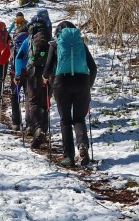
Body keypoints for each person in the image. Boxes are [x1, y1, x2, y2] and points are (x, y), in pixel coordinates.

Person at [42, 20, 97, 166]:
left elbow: (47, 69)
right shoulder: (81, 44)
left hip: (62, 83)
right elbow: (93, 68)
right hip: (82, 82)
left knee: (65, 120)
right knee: (79, 118)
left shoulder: (55, 44)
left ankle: (69, 157)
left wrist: (44, 78)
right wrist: (88, 86)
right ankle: (82, 146)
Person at [24, 10, 53, 148]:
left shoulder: (32, 30)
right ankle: (43, 130)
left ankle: (38, 129)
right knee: (44, 100)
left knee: (33, 100)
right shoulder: (47, 30)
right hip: (47, 70)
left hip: (33, 69)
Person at [7, 13, 30, 131]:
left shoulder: (14, 38)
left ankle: (16, 122)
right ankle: (30, 124)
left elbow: (12, 55)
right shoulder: (30, 38)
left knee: (15, 96)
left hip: (15, 71)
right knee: (29, 96)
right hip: (30, 71)